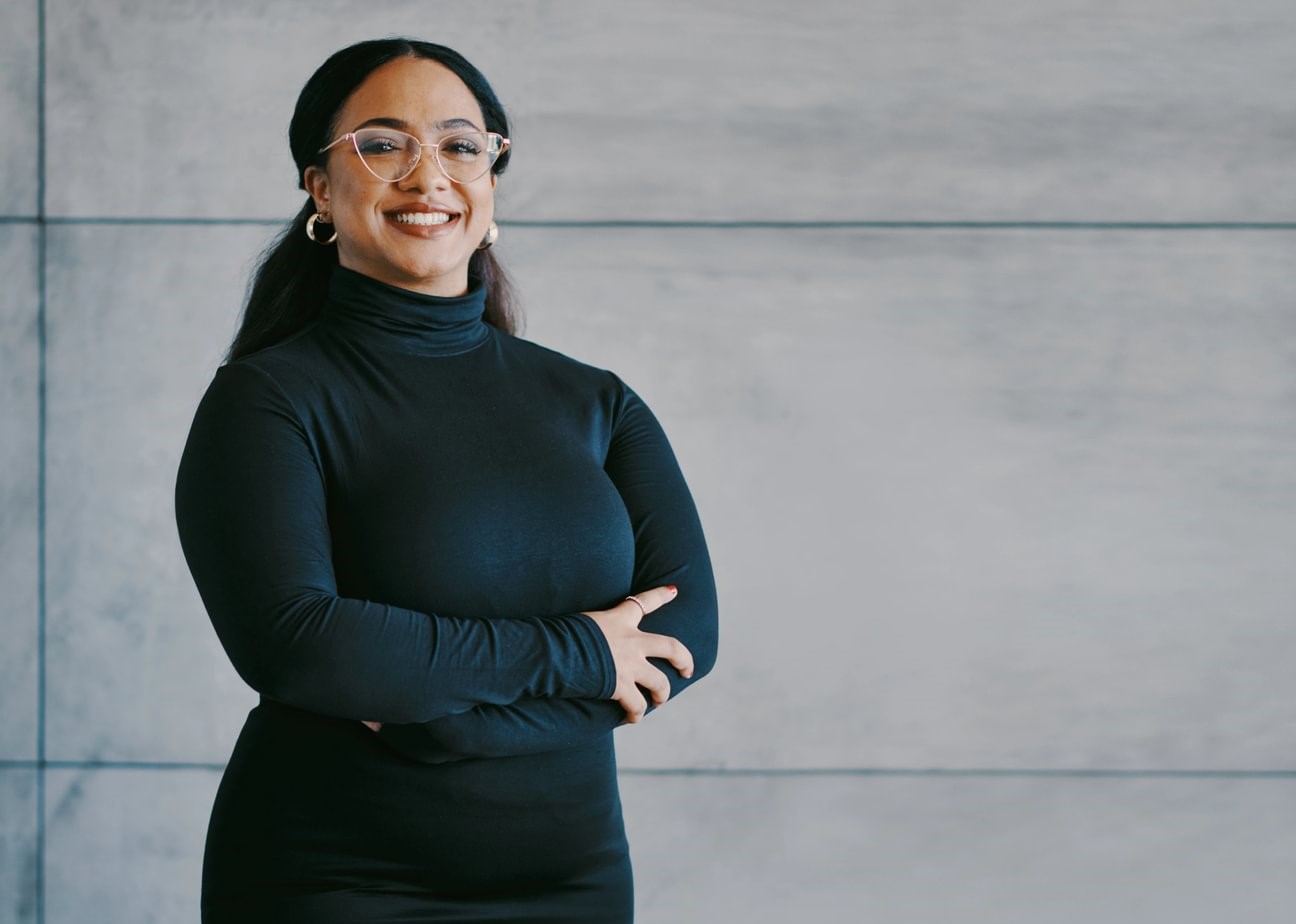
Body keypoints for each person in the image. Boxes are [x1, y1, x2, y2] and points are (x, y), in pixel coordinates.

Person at [174, 37, 718, 923]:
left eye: (462, 146)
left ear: (492, 180)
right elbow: (300, 643)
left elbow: (683, 635)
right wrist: (578, 654)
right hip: (332, 880)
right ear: (319, 187)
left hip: (572, 881)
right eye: (383, 144)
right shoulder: (267, 400)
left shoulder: (595, 401)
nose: (429, 176)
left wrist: (443, 722)